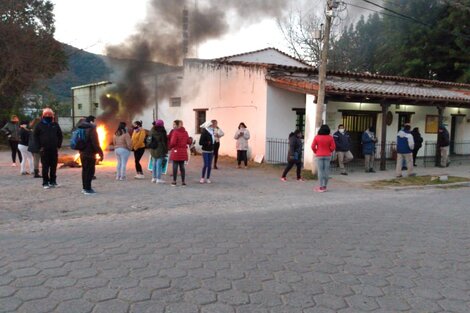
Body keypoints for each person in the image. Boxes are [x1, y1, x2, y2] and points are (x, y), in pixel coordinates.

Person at [34, 108, 63, 189]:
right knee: (45, 167)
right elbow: (35, 137)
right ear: (43, 116)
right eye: (46, 114)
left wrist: (58, 145)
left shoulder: (55, 125)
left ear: (52, 116)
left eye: (50, 115)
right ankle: (45, 182)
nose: (48, 116)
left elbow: (60, 135)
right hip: (44, 150)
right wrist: (39, 147)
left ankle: (53, 181)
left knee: (53, 166)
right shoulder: (39, 125)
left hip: (54, 149)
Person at [77, 116, 103, 195]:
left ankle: (84, 188)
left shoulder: (80, 128)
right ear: (91, 122)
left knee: (85, 171)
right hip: (90, 154)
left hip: (82, 153)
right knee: (90, 171)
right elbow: (95, 143)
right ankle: (88, 189)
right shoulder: (92, 129)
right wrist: (100, 153)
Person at [311, 124, 336, 192]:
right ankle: (325, 186)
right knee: (326, 171)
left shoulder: (317, 137)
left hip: (319, 155)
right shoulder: (330, 137)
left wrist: (316, 151)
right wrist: (329, 151)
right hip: (327, 155)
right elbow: (333, 147)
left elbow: (312, 146)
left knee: (320, 171)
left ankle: (321, 186)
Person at [169, 120, 191, 186]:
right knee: (182, 166)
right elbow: (188, 141)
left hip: (176, 150)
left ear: (178, 125)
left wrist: (169, 146)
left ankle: (174, 181)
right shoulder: (185, 132)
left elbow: (173, 142)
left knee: (175, 166)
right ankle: (183, 182)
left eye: (174, 124)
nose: (173, 126)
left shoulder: (175, 132)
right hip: (183, 151)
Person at [149, 119, 168, 183]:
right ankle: (158, 178)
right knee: (159, 164)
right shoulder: (162, 131)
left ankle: (153, 178)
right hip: (160, 148)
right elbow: (164, 141)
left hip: (153, 148)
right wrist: (166, 150)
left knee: (154, 163)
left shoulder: (152, 130)